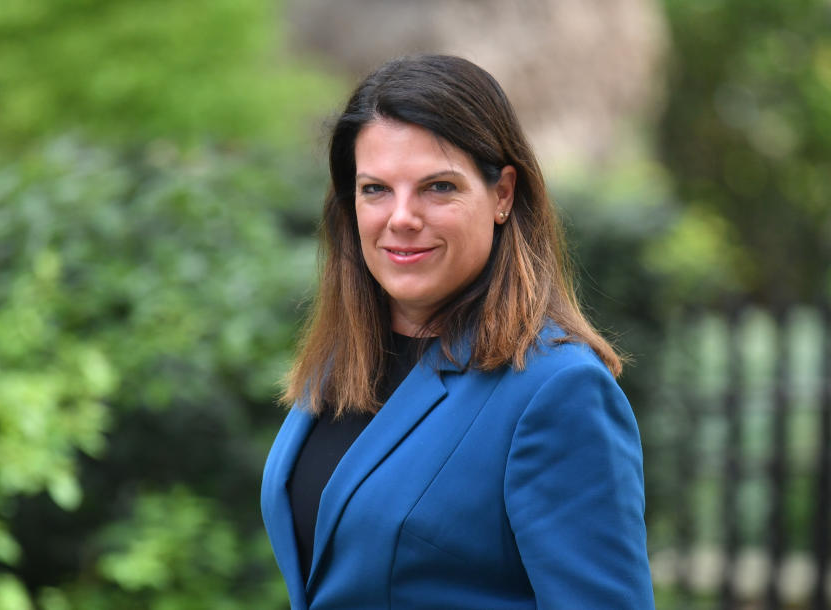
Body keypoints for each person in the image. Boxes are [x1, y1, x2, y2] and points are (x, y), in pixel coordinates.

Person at [261, 54, 654, 609]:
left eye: (438, 187)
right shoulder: (341, 367)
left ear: (502, 194)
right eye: (375, 189)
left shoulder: (557, 390)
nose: (401, 217)